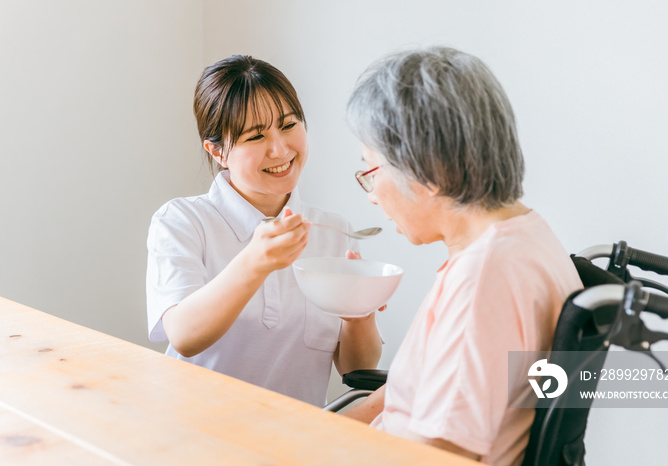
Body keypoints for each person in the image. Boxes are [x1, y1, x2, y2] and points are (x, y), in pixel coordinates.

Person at [342, 47, 583, 465]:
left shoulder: (484, 279)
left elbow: (440, 454)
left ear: (428, 171)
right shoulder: (526, 236)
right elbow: (415, 392)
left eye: (372, 171)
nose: (373, 196)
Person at [146, 55, 382, 407]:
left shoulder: (333, 232)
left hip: (290, 444)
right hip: (193, 436)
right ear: (217, 151)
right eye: (256, 136)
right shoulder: (182, 221)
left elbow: (356, 369)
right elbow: (184, 335)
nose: (280, 149)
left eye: (289, 125)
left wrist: (359, 313)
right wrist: (255, 262)